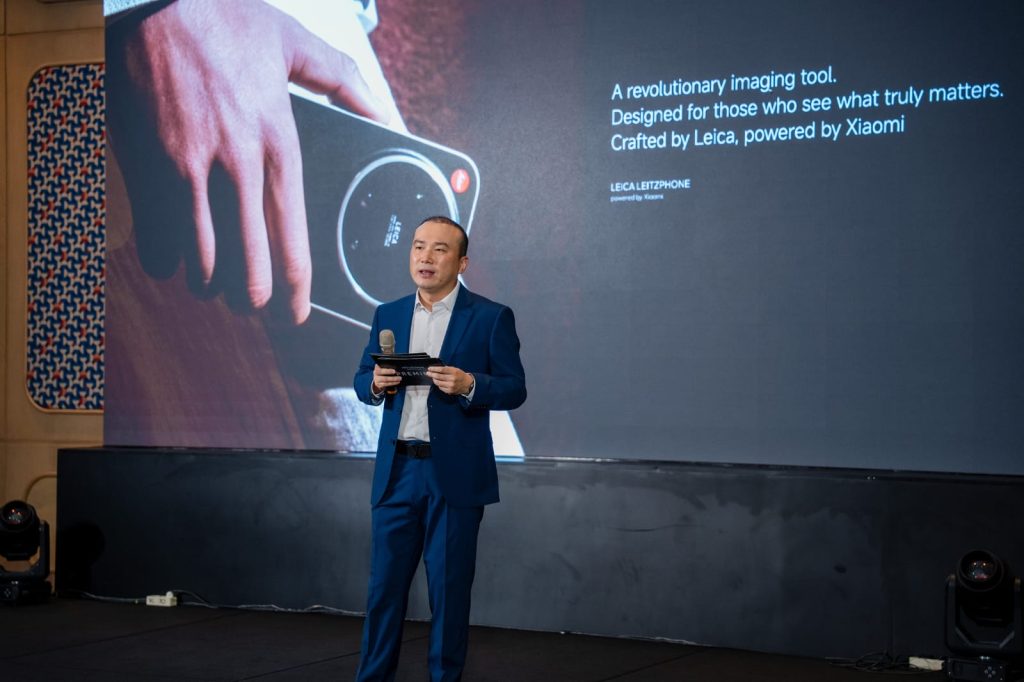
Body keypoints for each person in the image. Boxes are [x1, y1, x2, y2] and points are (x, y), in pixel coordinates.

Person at [353, 216, 527, 680]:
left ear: (462, 262)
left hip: (453, 477)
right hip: (397, 473)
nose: (425, 257)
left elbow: (514, 388)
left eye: (439, 249)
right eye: (418, 247)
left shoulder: (490, 316)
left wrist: (471, 384)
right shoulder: (388, 313)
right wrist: (374, 383)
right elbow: (361, 379)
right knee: (383, 592)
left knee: (448, 595)